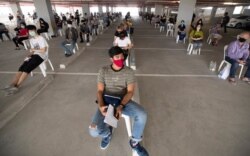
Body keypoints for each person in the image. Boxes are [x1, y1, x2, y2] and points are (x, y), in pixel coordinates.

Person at [89, 46, 149, 156]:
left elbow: (130, 92)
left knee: (142, 114)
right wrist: (101, 106)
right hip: (107, 101)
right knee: (93, 131)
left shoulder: (129, 72)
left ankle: (135, 142)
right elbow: (99, 91)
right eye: (117, 57)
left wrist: (121, 105)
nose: (120, 59)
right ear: (111, 59)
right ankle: (107, 134)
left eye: (122, 56)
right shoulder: (103, 71)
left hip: (123, 100)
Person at [3, 25, 48, 96]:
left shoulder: (41, 38)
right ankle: (12, 84)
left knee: (27, 68)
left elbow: (43, 50)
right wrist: (28, 56)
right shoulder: (32, 40)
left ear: (34, 30)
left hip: (41, 55)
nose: (30, 32)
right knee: (22, 67)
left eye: (31, 31)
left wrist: (34, 50)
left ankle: (17, 86)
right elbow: (32, 51)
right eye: (29, 31)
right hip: (35, 55)